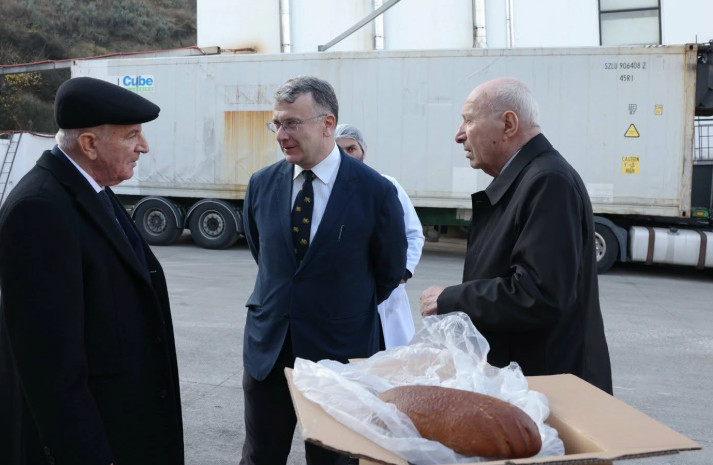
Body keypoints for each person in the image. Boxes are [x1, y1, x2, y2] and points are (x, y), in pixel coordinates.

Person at [0, 77, 183, 465]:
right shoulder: (39, 210)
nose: (144, 146)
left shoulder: (91, 189)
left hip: (122, 428)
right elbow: (50, 367)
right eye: (132, 135)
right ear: (90, 144)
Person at [241, 76, 407, 465]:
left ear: (327, 124)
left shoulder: (375, 191)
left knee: (334, 460)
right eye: (276, 124)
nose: (281, 135)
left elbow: (388, 272)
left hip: (339, 355)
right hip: (270, 352)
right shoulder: (262, 184)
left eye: (292, 123)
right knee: (260, 456)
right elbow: (266, 257)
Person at [419, 77, 613, 394]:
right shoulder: (530, 179)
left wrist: (451, 299)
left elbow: (539, 294)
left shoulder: (548, 182)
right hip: (529, 381)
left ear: (508, 124)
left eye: (469, 120)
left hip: (548, 387)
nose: (459, 134)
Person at [335, 123, 424, 348]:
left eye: (351, 148)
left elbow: (413, 233)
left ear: (363, 150)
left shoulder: (385, 185)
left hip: (387, 292)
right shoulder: (327, 190)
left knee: (387, 352)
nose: (347, 156)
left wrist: (403, 272)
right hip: (344, 293)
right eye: (339, 150)